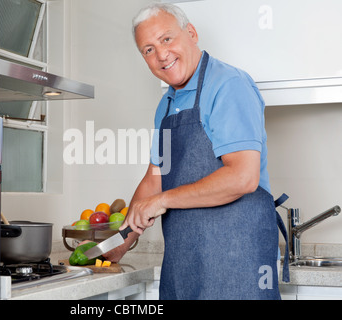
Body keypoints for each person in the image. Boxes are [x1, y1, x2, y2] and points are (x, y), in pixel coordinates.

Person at [102, 3, 289, 300]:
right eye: (148, 50)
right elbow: (155, 179)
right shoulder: (165, 105)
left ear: (191, 33)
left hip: (237, 264)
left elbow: (243, 177)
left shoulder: (229, 85)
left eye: (166, 39)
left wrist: (161, 201)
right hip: (184, 265)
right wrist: (121, 243)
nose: (161, 55)